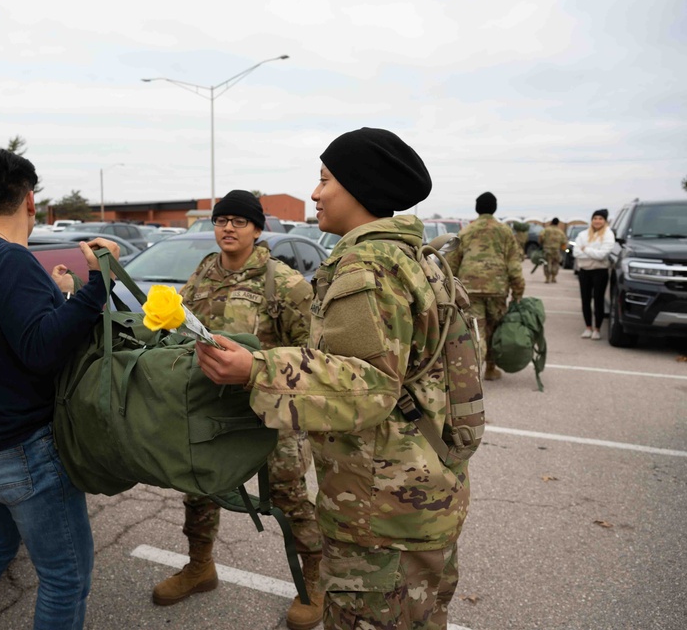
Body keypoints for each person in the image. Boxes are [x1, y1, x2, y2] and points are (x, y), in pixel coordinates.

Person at [193, 128, 471, 630]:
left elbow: (368, 384)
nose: (316, 193)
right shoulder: (414, 258)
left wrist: (255, 369)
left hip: (381, 508)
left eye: (325, 180)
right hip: (422, 489)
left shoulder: (366, 267)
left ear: (360, 187)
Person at [0, 147, 119, 630]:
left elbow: (12, 338)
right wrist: (97, 284)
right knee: (67, 577)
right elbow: (40, 351)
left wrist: (59, 298)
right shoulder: (13, 260)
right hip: (22, 448)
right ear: (31, 201)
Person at [151, 189, 324, 630]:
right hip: (212, 407)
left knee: (290, 499)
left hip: (270, 410)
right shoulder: (204, 273)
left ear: (257, 229)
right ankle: (200, 567)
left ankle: (317, 583)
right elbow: (182, 325)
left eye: (239, 221)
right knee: (200, 488)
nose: (228, 227)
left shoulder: (285, 284)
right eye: (221, 220)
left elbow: (312, 355)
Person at [446, 192, 525, 380]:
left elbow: (451, 262)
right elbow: (514, 264)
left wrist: (448, 287)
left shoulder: (466, 231)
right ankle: (490, 369)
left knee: (476, 330)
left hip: (470, 288)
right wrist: (518, 291)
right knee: (494, 328)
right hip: (497, 288)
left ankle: (472, 375)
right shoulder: (505, 231)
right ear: (494, 208)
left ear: (476, 208)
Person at [573, 209, 615, 340]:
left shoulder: (608, 234)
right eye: (595, 218)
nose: (597, 221)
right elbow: (576, 253)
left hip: (600, 272)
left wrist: (585, 249)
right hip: (584, 271)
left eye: (600, 218)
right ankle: (588, 327)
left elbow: (603, 254)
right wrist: (593, 253)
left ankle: (597, 328)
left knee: (598, 300)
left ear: (605, 221)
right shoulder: (583, 234)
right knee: (585, 300)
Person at [539, 217, 568, 283]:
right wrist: (562, 248)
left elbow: (541, 236)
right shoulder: (560, 232)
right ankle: (553, 277)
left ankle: (547, 278)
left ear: (551, 222)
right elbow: (564, 241)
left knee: (546, 263)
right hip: (556, 250)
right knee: (555, 264)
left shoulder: (546, 230)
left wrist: (541, 243)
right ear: (558, 223)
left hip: (547, 250)